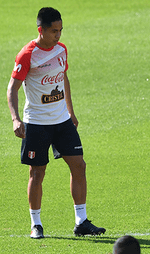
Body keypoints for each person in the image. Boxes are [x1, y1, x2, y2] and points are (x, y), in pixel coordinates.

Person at [7, 7, 105, 239]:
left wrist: (71, 112)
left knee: (79, 166)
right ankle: (36, 224)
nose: (58, 35)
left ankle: (81, 221)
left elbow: (63, 78)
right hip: (37, 123)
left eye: (60, 30)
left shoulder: (61, 50)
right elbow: (12, 88)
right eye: (54, 31)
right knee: (37, 172)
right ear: (41, 30)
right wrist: (15, 119)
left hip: (62, 121)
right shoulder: (27, 54)